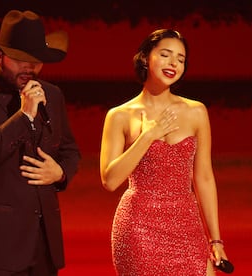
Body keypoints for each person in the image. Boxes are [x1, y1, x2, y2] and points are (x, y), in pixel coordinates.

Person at [0, 10, 81, 276]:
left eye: (36, 61)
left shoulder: (52, 94)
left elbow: (70, 151)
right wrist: (24, 116)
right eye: (21, 59)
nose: (30, 68)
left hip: (44, 241)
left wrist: (61, 173)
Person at [99, 29, 231, 275]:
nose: (174, 64)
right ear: (145, 58)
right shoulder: (119, 116)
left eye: (180, 59)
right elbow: (110, 180)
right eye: (166, 55)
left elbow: (203, 178)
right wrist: (148, 136)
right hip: (138, 229)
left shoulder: (196, 112)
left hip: (187, 225)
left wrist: (215, 240)